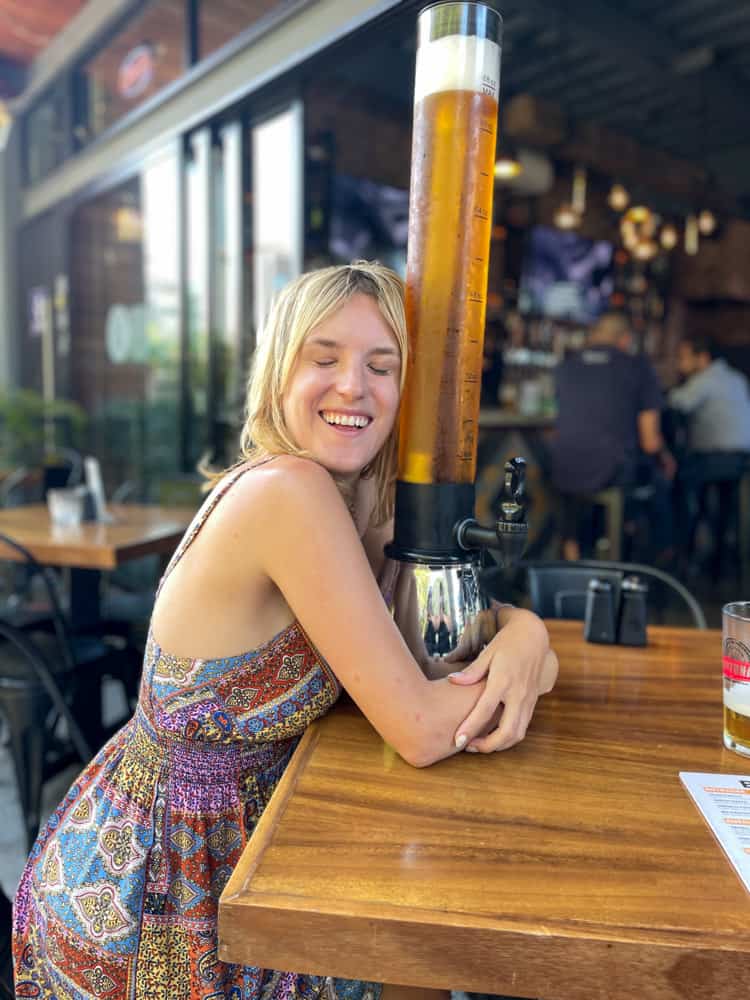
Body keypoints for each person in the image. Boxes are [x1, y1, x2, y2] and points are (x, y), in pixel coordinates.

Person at [13, 262, 557, 1000]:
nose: (352, 387)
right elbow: (427, 728)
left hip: (242, 853)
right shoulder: (289, 493)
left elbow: (441, 648)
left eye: (381, 365)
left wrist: (524, 634)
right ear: (278, 371)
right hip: (157, 888)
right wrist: (523, 653)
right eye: (323, 358)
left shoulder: (362, 498)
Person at [550, 310, 674, 561]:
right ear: (626, 339)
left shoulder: (565, 366)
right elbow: (650, 442)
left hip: (563, 469)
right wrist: (667, 457)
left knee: (586, 501)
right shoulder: (637, 367)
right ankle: (653, 567)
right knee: (661, 481)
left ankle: (574, 554)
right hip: (611, 473)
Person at [669, 333, 750, 575]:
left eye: (683, 358)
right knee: (722, 505)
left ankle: (683, 554)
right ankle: (721, 553)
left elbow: (675, 402)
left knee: (675, 485)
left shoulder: (705, 380)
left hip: (716, 460)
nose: (679, 364)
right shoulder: (736, 377)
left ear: (701, 358)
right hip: (741, 462)